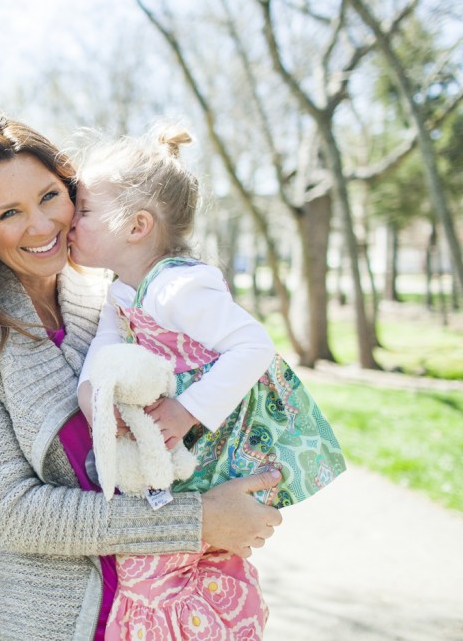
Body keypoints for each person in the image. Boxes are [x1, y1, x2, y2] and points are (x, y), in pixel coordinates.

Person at [0, 113, 283, 641]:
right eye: (10, 213)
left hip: (171, 610)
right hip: (59, 624)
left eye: (50, 197)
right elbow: (13, 512)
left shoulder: (111, 301)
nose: (41, 225)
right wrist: (197, 521)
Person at [69, 124, 346, 639]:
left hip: (224, 435)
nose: (69, 219)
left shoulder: (177, 286)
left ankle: (216, 624)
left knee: (205, 551)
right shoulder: (121, 291)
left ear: (136, 225)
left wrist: (187, 410)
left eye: (83, 209)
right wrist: (93, 400)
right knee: (175, 555)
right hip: (186, 447)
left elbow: (254, 346)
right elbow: (105, 351)